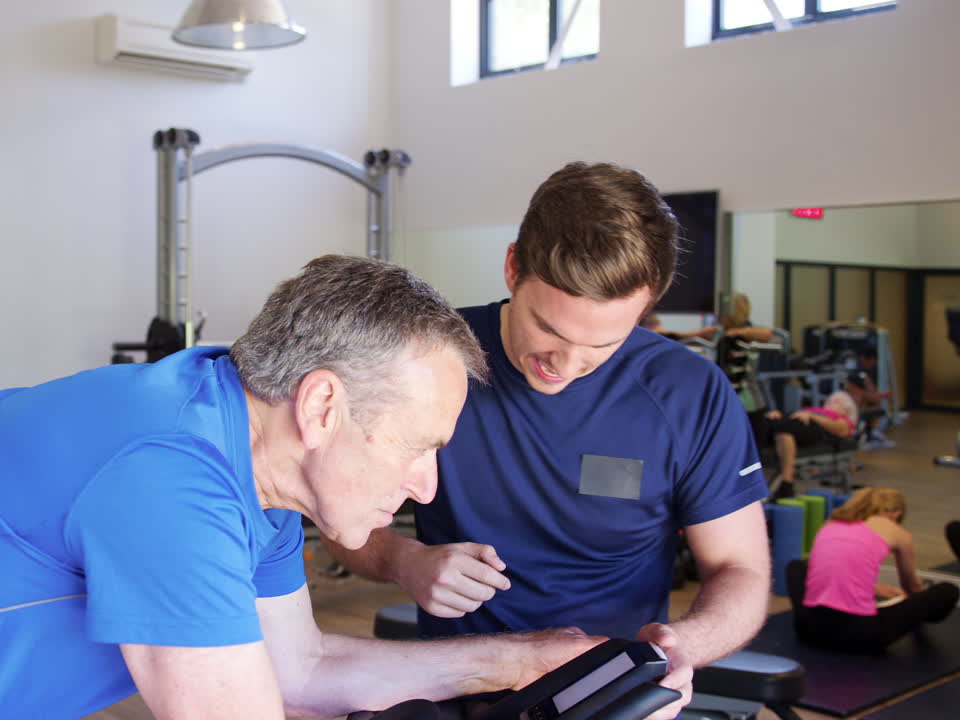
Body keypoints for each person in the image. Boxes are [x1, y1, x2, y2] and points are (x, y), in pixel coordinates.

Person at [0, 256, 608, 719]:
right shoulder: (168, 472)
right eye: (418, 443)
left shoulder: (254, 470)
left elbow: (301, 673)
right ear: (322, 405)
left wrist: (522, 663)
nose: (426, 481)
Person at [323, 162, 772, 714]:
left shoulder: (688, 393)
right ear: (514, 266)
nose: (566, 365)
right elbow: (340, 524)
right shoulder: (424, 365)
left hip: (609, 694)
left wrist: (684, 647)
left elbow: (742, 570)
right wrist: (404, 560)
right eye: (550, 330)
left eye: (601, 345)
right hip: (459, 684)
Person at [796, 487, 959, 654]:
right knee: (948, 591)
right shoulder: (898, 532)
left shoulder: (832, 523)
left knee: (796, 566)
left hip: (809, 629)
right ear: (895, 514)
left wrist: (874, 587)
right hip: (859, 635)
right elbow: (912, 588)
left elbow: (830, 569)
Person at [749, 390, 859, 500]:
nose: (830, 402)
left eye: (836, 402)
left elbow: (840, 430)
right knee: (760, 421)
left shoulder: (843, 420)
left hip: (813, 429)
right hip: (790, 423)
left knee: (784, 426)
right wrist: (778, 415)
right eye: (829, 400)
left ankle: (787, 482)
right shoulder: (812, 410)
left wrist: (812, 416)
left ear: (846, 411)